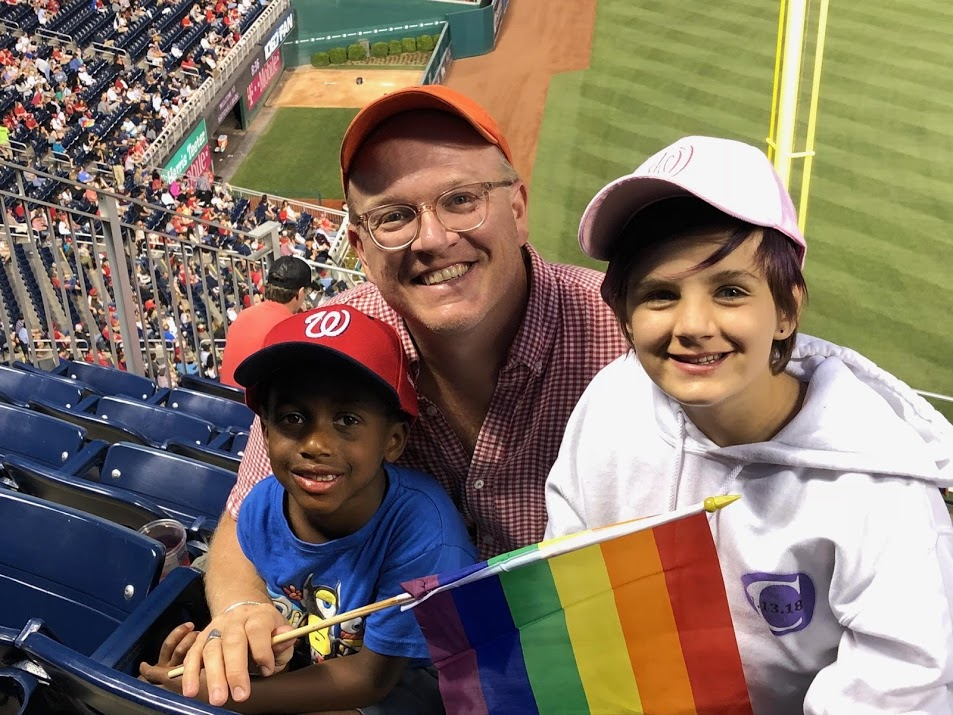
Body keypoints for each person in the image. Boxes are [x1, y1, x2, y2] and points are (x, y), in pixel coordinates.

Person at [180, 85, 628, 707]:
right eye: (393, 216)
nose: (433, 239)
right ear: (360, 249)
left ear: (519, 207)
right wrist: (240, 609)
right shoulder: (337, 349)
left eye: (462, 199)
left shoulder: (627, 333)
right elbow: (244, 512)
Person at [543, 136, 953, 713]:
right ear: (625, 319)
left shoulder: (881, 491)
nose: (692, 325)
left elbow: (898, 689)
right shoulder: (611, 402)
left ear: (786, 310)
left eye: (730, 291)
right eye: (659, 295)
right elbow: (572, 574)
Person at [141, 305, 476, 714]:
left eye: (347, 419)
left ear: (393, 440)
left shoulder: (424, 531)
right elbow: (260, 631)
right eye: (293, 418)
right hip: (303, 669)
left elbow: (371, 680)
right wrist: (204, 665)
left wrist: (213, 694)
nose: (316, 443)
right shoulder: (263, 504)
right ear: (264, 433)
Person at [217, 256, 312, 386]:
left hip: (227, 398)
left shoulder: (243, 315)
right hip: (253, 404)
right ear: (300, 293)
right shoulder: (291, 329)